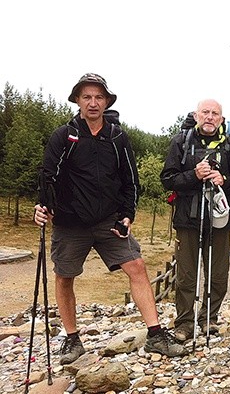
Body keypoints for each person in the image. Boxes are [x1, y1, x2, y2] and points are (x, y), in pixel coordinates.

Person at [34, 73, 188, 364]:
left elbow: (130, 180)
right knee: (64, 277)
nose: (93, 102)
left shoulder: (117, 137)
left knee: (137, 266)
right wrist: (42, 204)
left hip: (109, 220)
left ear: (106, 101)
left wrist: (127, 215)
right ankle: (72, 339)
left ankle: (155, 335)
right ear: (77, 100)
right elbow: (47, 175)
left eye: (98, 97)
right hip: (69, 221)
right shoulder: (63, 135)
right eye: (87, 97)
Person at [160, 99, 230, 342]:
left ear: (221, 118)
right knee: (187, 274)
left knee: (218, 273)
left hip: (219, 219)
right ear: (197, 115)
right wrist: (194, 175)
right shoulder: (181, 141)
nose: (209, 117)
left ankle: (210, 318)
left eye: (215, 113)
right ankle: (185, 323)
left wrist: (225, 180)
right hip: (187, 218)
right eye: (205, 112)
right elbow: (167, 179)